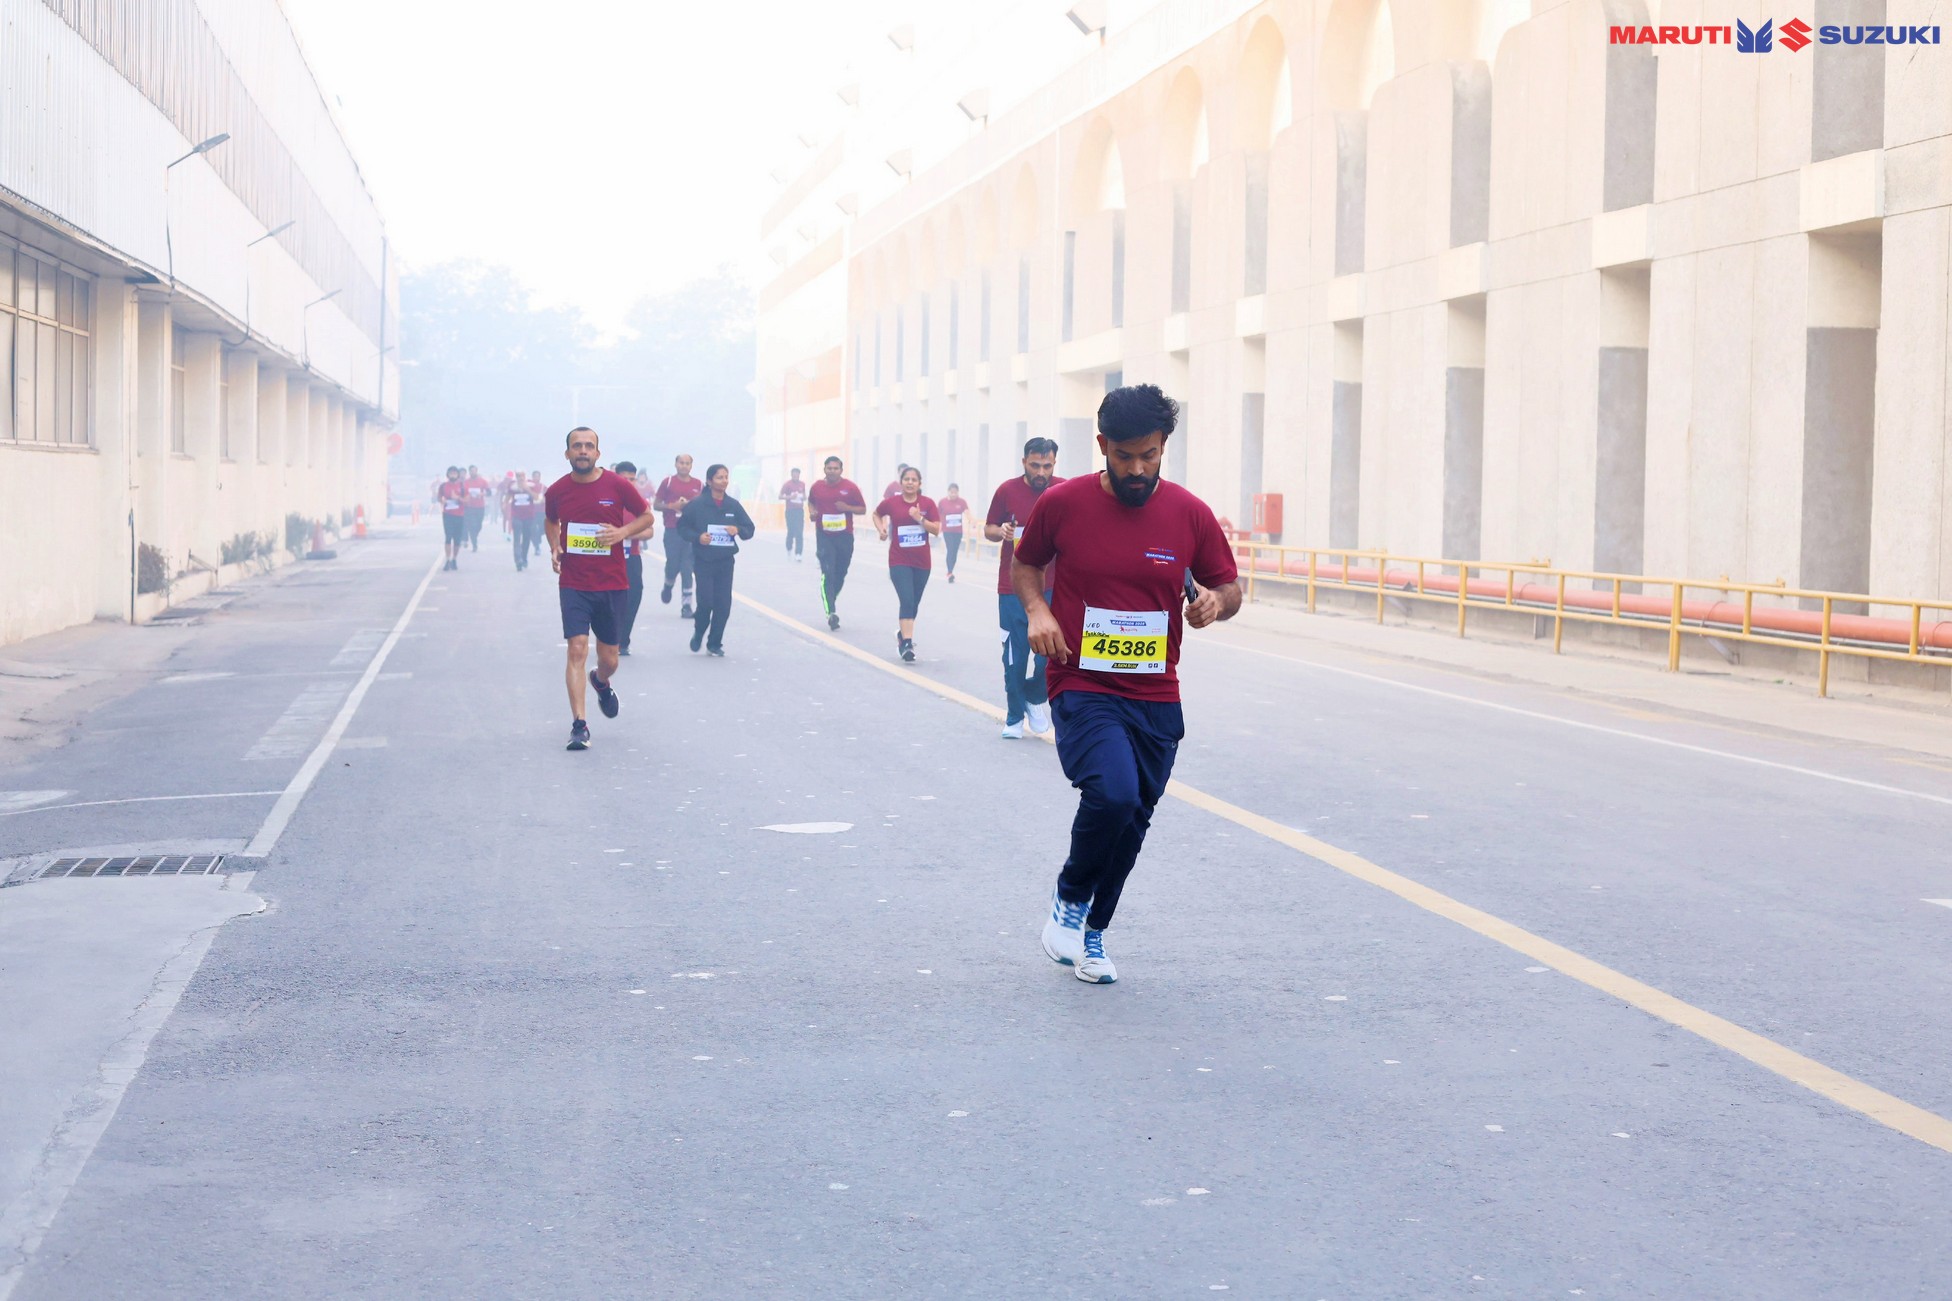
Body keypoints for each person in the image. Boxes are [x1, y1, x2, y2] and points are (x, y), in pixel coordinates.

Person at [1017, 385, 1241, 984]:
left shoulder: (1189, 514)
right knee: (1113, 793)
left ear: (1164, 446)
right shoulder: (1064, 503)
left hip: (1156, 691)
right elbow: (1026, 563)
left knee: (1135, 815)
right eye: (1124, 456)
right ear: (1102, 446)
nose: (1138, 469)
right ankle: (1069, 899)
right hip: (1081, 678)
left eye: (1149, 455)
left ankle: (1092, 932)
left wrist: (1215, 602)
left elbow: (1230, 587)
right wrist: (1038, 611)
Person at [544, 427, 655, 751]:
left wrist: (622, 532)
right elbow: (551, 521)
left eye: (588, 446)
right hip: (574, 583)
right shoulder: (557, 490)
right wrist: (555, 545)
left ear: (597, 453)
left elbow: (647, 517)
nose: (583, 451)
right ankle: (579, 725)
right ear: (567, 453)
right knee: (577, 649)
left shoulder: (617, 485)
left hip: (611, 584)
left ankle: (601, 681)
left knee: (610, 659)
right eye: (577, 446)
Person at [985, 437, 1062, 738]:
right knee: (1015, 657)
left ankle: (1034, 696)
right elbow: (989, 529)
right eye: (1035, 465)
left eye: (1047, 466)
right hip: (1012, 587)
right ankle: (1015, 717)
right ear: (1024, 462)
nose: (1041, 472)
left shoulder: (1063, 490)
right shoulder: (1007, 490)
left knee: (1050, 653)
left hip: (1053, 586)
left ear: (1054, 464)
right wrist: (1001, 531)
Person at [679, 463, 756, 656]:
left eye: (726, 477)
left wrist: (738, 529)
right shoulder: (697, 504)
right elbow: (682, 527)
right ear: (709, 481)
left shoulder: (733, 505)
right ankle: (699, 631)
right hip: (704, 560)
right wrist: (698, 537)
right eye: (719, 477)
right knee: (706, 602)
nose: (724, 481)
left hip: (725, 561)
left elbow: (749, 528)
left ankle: (714, 643)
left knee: (723, 604)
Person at [873, 466, 941, 662]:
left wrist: (919, 518)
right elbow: (876, 514)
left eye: (914, 479)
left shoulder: (927, 503)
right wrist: (881, 529)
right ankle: (907, 644)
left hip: (922, 562)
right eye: (906, 479)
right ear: (900, 482)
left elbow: (936, 530)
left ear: (919, 484)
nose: (910, 482)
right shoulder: (892, 503)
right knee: (907, 600)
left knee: (914, 603)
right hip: (899, 560)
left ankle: (903, 635)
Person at [807, 455, 868, 631]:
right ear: (824, 469)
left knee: (840, 573)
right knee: (828, 572)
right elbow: (811, 502)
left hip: (844, 536)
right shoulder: (817, 487)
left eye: (836, 468)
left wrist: (847, 508)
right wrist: (812, 512)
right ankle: (831, 612)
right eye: (829, 468)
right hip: (824, 535)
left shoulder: (850, 488)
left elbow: (862, 509)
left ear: (841, 470)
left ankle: (830, 598)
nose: (832, 471)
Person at [653, 454, 703, 618]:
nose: (684, 466)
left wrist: (690, 507)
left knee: (687, 567)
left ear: (691, 466)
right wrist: (671, 506)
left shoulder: (698, 485)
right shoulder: (668, 482)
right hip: (672, 529)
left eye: (687, 463)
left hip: (691, 532)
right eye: (681, 463)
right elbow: (656, 505)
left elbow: (704, 507)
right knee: (673, 564)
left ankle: (686, 605)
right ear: (676, 464)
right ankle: (668, 585)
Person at [612, 461, 645, 654]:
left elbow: (649, 531)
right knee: (610, 599)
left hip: (631, 556)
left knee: (634, 595)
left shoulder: (638, 503)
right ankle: (609, 637)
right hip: (607, 558)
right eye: (625, 479)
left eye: (632, 479)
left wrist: (626, 533)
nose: (629, 483)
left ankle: (623, 640)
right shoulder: (605, 501)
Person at [508, 471, 542, 571]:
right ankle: (518, 560)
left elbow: (537, 497)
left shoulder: (531, 486)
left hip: (529, 517)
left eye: (522, 476)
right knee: (517, 539)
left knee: (526, 538)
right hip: (516, 516)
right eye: (518, 476)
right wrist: (504, 505)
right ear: (516, 477)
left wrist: (527, 489)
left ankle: (524, 558)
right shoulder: (513, 487)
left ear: (525, 477)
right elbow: (507, 498)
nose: (521, 478)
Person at [937, 482, 970, 583]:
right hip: (947, 531)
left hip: (958, 531)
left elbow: (967, 512)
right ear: (948, 492)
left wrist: (971, 520)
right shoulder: (942, 502)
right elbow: (937, 516)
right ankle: (950, 572)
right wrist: (937, 527)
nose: (953, 494)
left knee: (954, 551)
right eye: (951, 492)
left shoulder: (962, 502)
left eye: (955, 492)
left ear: (958, 492)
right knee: (950, 549)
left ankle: (951, 570)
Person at [437, 465, 468, 571]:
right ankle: (447, 559)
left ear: (457, 475)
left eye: (454, 473)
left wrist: (457, 498)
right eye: (451, 473)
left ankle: (454, 558)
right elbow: (439, 497)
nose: (453, 475)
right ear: (448, 475)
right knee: (448, 537)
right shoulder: (443, 486)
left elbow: (467, 500)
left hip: (459, 515)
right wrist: (442, 501)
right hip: (447, 514)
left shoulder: (462, 486)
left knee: (457, 539)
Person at [780, 468, 807, 560]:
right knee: (791, 531)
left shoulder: (802, 484)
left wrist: (803, 497)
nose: (795, 476)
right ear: (791, 475)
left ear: (799, 475)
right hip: (790, 511)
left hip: (799, 511)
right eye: (794, 474)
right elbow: (780, 496)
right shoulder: (787, 484)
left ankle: (798, 553)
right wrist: (790, 497)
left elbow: (804, 496)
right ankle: (789, 548)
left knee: (799, 532)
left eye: (797, 474)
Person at [462, 464, 491, 551]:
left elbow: (489, 492)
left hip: (480, 506)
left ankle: (474, 535)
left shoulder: (483, 481)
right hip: (469, 507)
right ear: (469, 472)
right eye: (471, 471)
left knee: (478, 525)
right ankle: (474, 544)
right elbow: (462, 493)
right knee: (472, 525)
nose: (473, 472)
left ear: (477, 471)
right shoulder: (466, 482)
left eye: (474, 471)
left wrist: (482, 494)